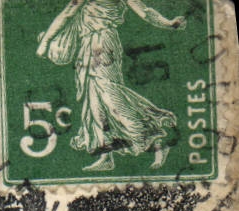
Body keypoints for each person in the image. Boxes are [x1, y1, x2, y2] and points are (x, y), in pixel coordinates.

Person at [36, 0, 187, 171]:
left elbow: (69, 12)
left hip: (101, 44)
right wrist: (169, 23)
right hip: (90, 44)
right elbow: (145, 11)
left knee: (111, 98)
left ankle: (156, 141)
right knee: (94, 101)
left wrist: (45, 42)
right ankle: (105, 155)